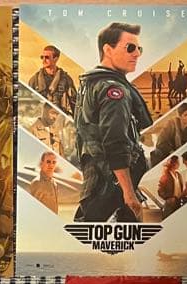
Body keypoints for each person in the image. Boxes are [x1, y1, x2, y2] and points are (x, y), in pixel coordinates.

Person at [73, 22, 152, 223]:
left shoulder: (90, 84)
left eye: (139, 48)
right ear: (108, 50)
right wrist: (129, 194)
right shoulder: (114, 91)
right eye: (130, 48)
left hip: (98, 183)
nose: (137, 54)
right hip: (112, 187)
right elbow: (115, 142)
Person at [28, 45, 76, 115]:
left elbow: (74, 103)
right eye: (42, 57)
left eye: (47, 57)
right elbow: (28, 103)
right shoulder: (34, 80)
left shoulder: (66, 79)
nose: (43, 60)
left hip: (60, 117)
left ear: (55, 59)